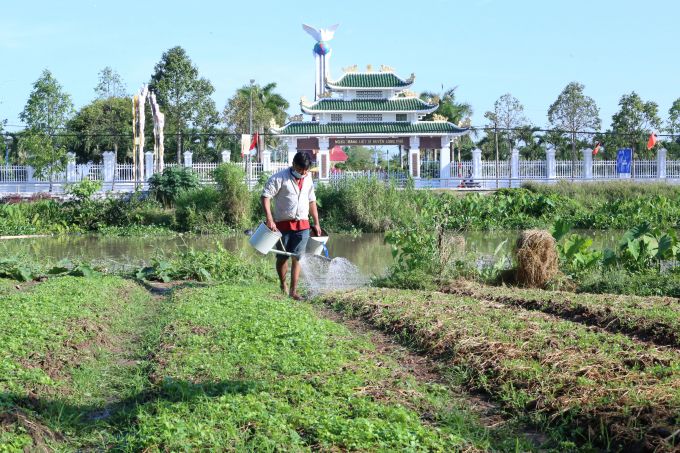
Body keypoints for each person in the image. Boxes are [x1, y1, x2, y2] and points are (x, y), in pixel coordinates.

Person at [261, 152, 321, 300]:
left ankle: (293, 291)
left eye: (306, 170)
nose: (304, 173)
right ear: (294, 164)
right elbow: (265, 196)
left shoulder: (308, 179)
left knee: (298, 257)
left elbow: (312, 201)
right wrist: (269, 219)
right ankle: (283, 285)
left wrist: (317, 223)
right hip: (282, 225)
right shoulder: (279, 178)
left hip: (303, 225)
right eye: (301, 170)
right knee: (282, 257)